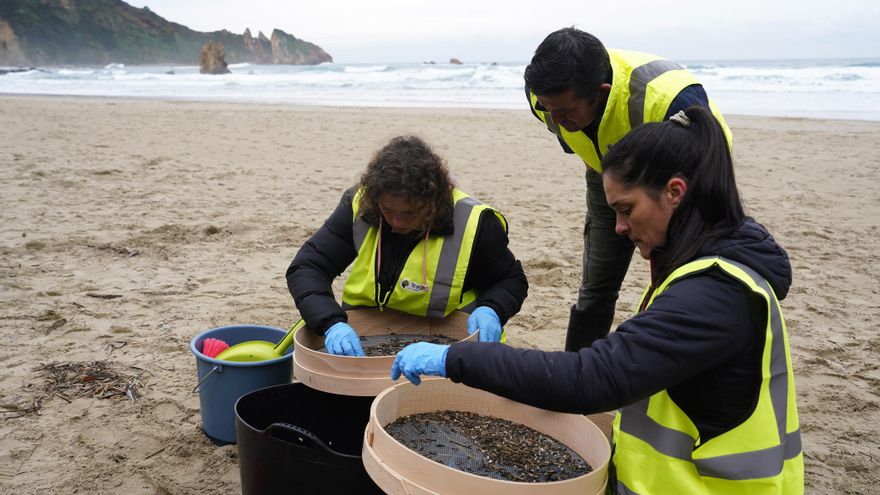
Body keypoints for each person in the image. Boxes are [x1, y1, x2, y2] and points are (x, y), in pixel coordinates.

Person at [391, 107, 803, 493]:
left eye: (627, 209)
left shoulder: (714, 293)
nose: (620, 228)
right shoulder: (708, 267)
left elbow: (591, 379)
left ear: (675, 191)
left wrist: (451, 360)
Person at [524, 27, 732, 351]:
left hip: (686, 180)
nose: (556, 119)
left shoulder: (667, 99)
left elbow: (705, 168)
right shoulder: (544, 97)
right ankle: (577, 377)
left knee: (675, 278)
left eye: (566, 112)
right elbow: (576, 137)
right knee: (596, 285)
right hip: (606, 173)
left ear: (601, 92)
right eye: (549, 109)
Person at [286, 135, 528, 356]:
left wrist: (491, 310)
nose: (397, 222)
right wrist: (331, 323)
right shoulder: (360, 203)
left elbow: (510, 280)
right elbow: (308, 266)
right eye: (388, 210)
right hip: (366, 336)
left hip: (450, 347)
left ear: (433, 202)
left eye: (410, 212)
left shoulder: (474, 223)